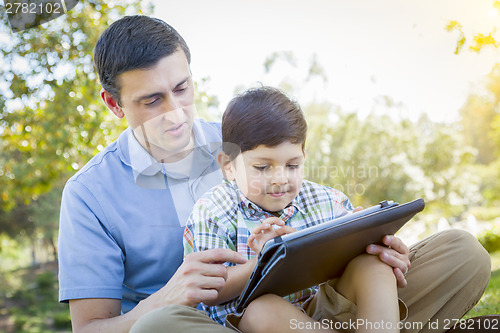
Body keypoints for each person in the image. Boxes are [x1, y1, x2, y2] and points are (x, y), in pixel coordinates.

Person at [183, 86, 491, 333]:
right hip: (266, 325)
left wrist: (381, 247)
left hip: (339, 313)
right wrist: (269, 259)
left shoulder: (327, 200)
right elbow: (209, 290)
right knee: (262, 311)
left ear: (304, 155)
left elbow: (360, 267)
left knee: (425, 256)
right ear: (228, 166)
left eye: (292, 165)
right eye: (262, 167)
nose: (280, 178)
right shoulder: (212, 211)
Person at [58, 15, 246, 333]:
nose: (175, 113)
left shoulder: (243, 144)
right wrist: (162, 301)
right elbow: (89, 328)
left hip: (272, 309)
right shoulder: (88, 194)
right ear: (114, 104)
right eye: (153, 100)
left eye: (181, 88)